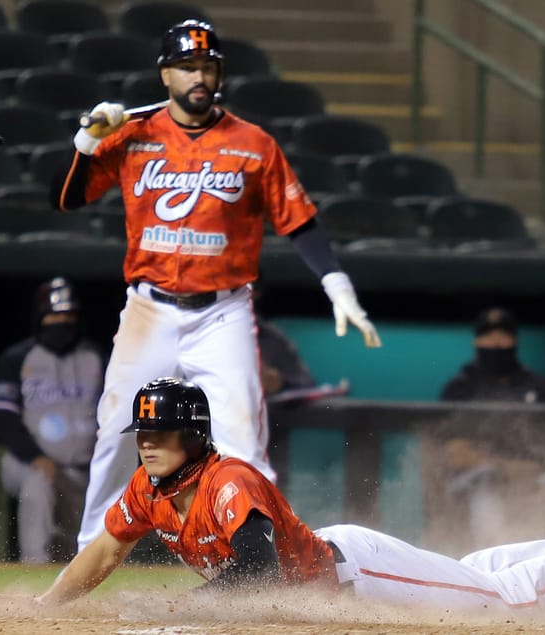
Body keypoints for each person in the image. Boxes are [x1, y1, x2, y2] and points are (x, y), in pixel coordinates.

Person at [49, 19, 382, 552]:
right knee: (116, 428)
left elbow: (298, 219)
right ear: (165, 75)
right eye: (186, 67)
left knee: (242, 440)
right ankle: (93, 551)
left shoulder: (252, 144)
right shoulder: (134, 133)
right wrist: (87, 142)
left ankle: (272, 558)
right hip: (149, 309)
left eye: (207, 66)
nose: (198, 76)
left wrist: (337, 284)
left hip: (222, 311)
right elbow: (66, 199)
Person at [35, 377, 545, 621]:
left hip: (352, 573)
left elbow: (258, 572)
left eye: (158, 433)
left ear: (192, 433)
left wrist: (180, 609)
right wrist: (46, 609)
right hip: (341, 574)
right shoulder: (149, 490)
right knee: (473, 575)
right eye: (143, 434)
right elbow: (102, 550)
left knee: (493, 602)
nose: (147, 444)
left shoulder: (227, 482)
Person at [0, 277, 103, 564]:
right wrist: (36, 456)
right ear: (40, 317)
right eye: (54, 315)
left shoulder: (96, 357)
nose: (61, 322)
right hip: (28, 464)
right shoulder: (17, 358)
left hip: (82, 469)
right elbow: (4, 416)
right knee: (38, 483)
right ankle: (34, 565)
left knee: (68, 544)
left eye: (68, 315)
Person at [440, 307, 545, 403]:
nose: (496, 343)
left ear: (515, 341)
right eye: (488, 337)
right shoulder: (458, 388)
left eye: (503, 337)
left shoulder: (540, 386)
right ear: (476, 342)